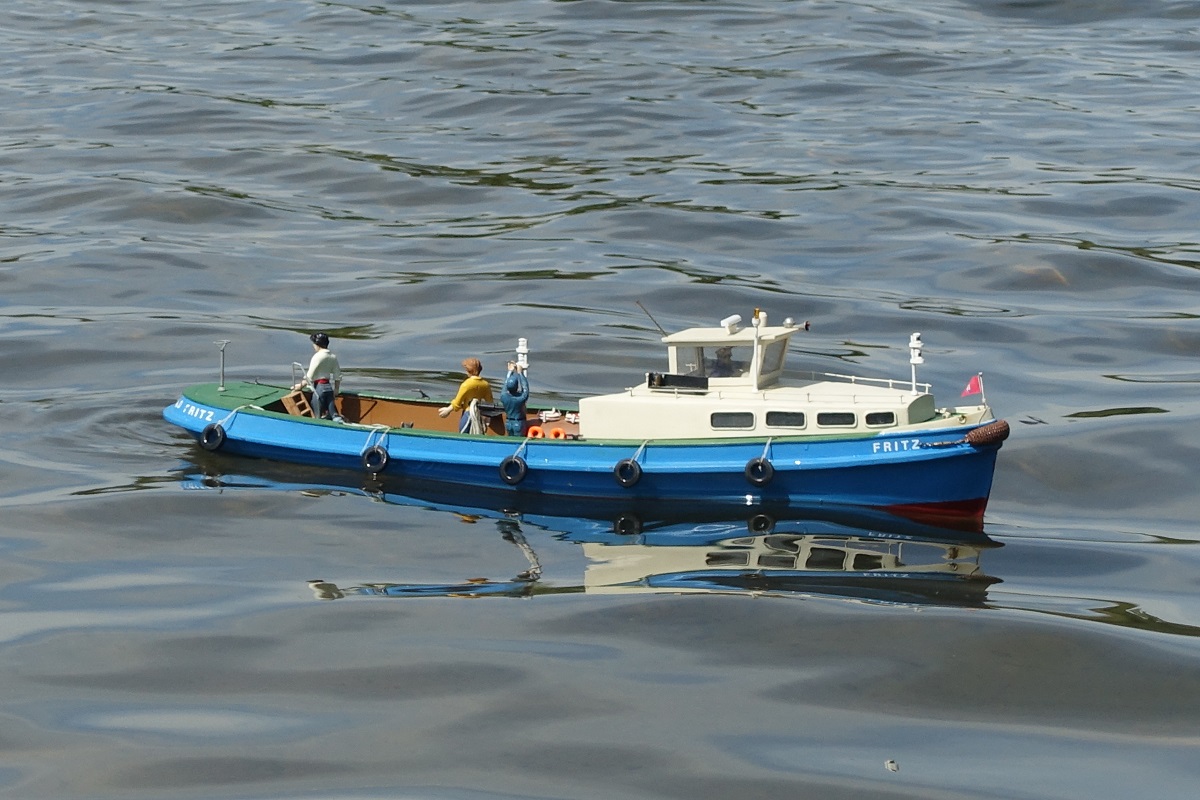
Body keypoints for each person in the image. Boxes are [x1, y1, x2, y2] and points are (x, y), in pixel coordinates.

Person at [439, 357, 494, 433]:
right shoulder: (485, 384)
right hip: (478, 414)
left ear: (468, 370)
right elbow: (490, 402)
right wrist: (488, 417)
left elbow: (457, 402)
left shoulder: (466, 385)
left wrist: (448, 410)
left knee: (463, 433)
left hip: (468, 413)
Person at [296, 332, 342, 420]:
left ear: (317, 344)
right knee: (333, 412)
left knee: (316, 410)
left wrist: (300, 385)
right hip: (329, 388)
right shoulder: (333, 356)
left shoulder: (317, 357)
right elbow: (337, 375)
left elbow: (309, 376)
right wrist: (336, 389)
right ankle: (336, 419)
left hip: (319, 388)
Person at [500, 360, 529, 436]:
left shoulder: (503, 396)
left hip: (508, 423)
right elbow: (525, 388)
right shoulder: (520, 398)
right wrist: (520, 373)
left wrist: (510, 371)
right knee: (518, 442)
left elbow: (506, 385)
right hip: (518, 423)